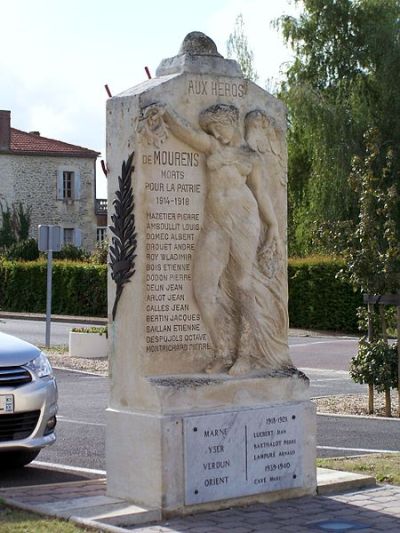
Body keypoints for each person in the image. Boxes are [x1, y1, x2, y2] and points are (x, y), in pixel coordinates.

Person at [140, 102, 292, 374]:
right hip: (215, 223)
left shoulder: (251, 156)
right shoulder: (212, 147)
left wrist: (273, 227)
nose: (217, 135)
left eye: (219, 128)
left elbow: (261, 193)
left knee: (243, 285)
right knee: (204, 289)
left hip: (245, 220)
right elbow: (187, 134)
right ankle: (222, 351)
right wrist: (167, 112)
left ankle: (245, 355)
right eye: (212, 131)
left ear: (231, 122)